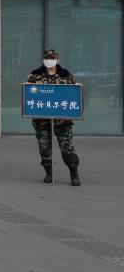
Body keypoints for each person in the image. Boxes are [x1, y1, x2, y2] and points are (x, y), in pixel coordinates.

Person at [27, 49, 80, 186]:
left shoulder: (67, 77)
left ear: (57, 60)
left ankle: (74, 173)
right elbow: (29, 95)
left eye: (52, 58)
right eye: (47, 58)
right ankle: (49, 173)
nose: (49, 60)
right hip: (41, 120)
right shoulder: (34, 77)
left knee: (67, 149)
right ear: (43, 60)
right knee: (44, 148)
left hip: (63, 120)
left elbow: (74, 96)